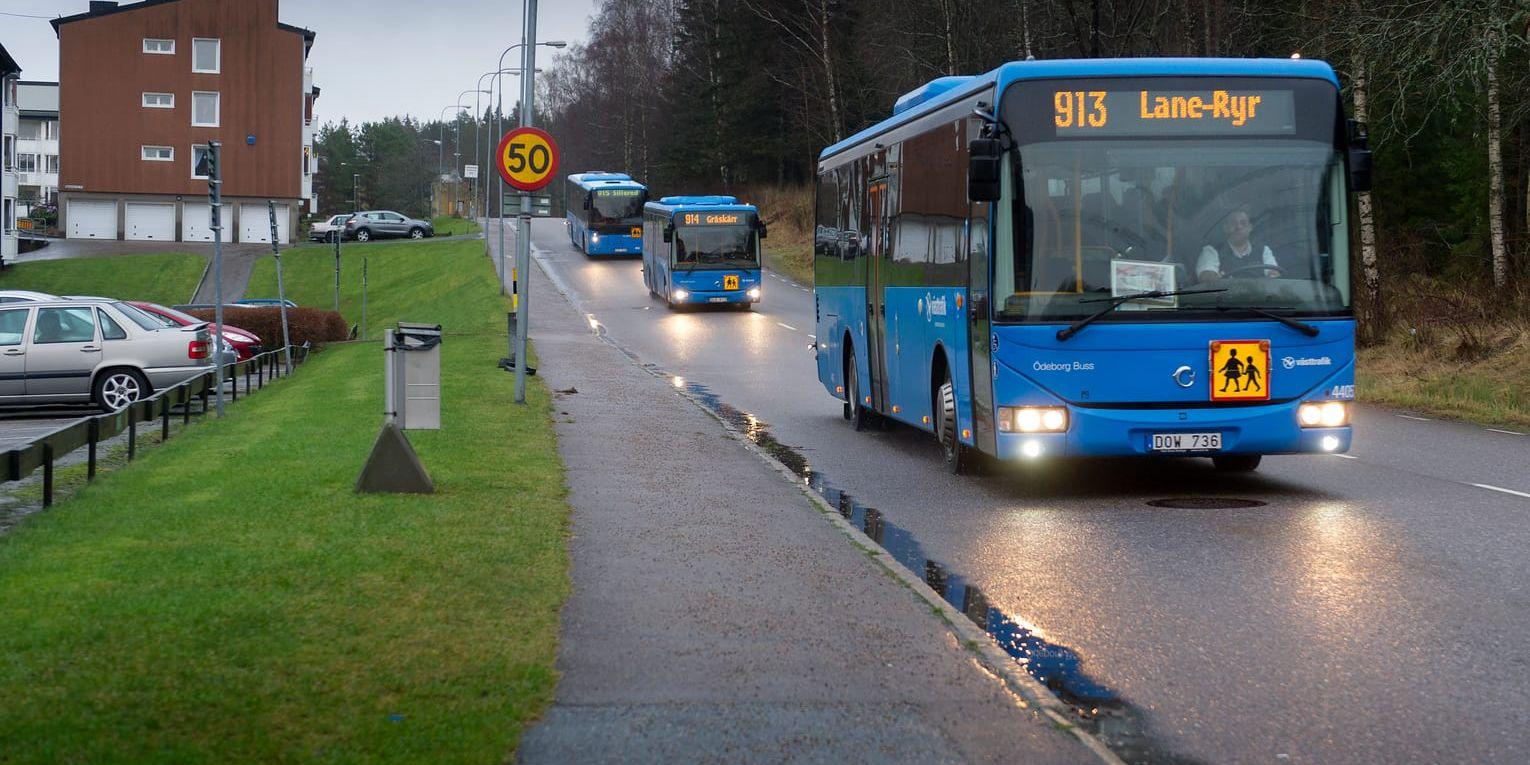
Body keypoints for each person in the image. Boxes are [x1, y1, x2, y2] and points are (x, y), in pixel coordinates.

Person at [1197, 207, 1279, 282]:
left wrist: (1273, 275)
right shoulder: (1211, 251)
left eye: (1243, 223)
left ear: (1250, 228)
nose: (1238, 227)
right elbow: (1206, 278)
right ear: (1225, 228)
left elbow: (1274, 276)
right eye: (1233, 223)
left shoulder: (1263, 250)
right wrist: (1213, 278)